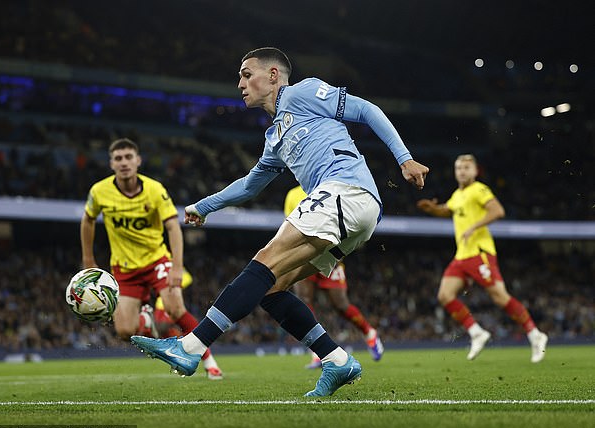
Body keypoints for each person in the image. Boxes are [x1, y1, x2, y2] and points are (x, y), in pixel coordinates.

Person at [131, 47, 428, 397]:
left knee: (264, 261)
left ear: (273, 75)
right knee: (271, 289)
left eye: (246, 74)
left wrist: (405, 159)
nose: (240, 83)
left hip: (346, 190)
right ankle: (336, 360)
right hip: (351, 210)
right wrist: (205, 206)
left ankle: (192, 347)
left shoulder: (302, 93)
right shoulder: (275, 137)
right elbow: (250, 185)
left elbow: (366, 109)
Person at [80, 138, 223, 379]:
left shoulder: (155, 190)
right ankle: (146, 319)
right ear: (111, 163)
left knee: (175, 308)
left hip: (156, 260)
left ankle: (208, 360)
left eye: (128, 157)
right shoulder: (99, 191)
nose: (124, 162)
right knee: (125, 331)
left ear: (138, 161)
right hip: (124, 269)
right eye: (118, 158)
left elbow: (173, 228)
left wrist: (176, 267)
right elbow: (88, 220)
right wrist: (88, 260)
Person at [416, 154, 548, 362]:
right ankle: (477, 332)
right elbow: (449, 210)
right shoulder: (457, 195)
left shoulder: (479, 189)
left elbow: (498, 211)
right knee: (444, 295)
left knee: (500, 297)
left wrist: (474, 226)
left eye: (467, 168)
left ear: (475, 171)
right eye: (459, 167)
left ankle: (535, 334)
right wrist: (433, 209)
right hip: (462, 255)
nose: (462, 171)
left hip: (479, 252)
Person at [284, 185, 384, 368]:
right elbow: (290, 228)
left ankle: (369, 333)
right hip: (305, 256)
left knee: (341, 305)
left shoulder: (333, 186)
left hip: (331, 256)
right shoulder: (293, 194)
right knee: (304, 301)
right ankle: (317, 351)